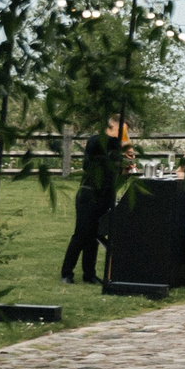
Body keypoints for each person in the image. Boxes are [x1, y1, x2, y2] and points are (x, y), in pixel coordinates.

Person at [59, 113, 130, 285]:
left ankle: (89, 273)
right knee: (82, 233)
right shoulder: (97, 141)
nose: (124, 136)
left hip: (106, 194)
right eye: (122, 131)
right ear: (111, 126)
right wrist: (125, 143)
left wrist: (125, 167)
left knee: (95, 235)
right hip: (89, 194)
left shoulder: (115, 148)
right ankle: (66, 272)